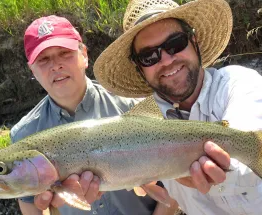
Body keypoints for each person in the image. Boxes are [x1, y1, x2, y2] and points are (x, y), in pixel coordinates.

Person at [93, 0, 262, 214]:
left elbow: (245, 166)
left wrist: (215, 170)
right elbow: (163, 194)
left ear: (194, 41)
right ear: (139, 68)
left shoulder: (239, 84)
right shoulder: (143, 123)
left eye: (175, 44)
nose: (167, 60)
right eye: (149, 56)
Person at [10, 15, 178, 215]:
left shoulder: (134, 107)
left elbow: (177, 182)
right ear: (32, 70)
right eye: (44, 59)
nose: (56, 65)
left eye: (64, 53)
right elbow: (30, 206)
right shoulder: (23, 134)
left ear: (84, 55)